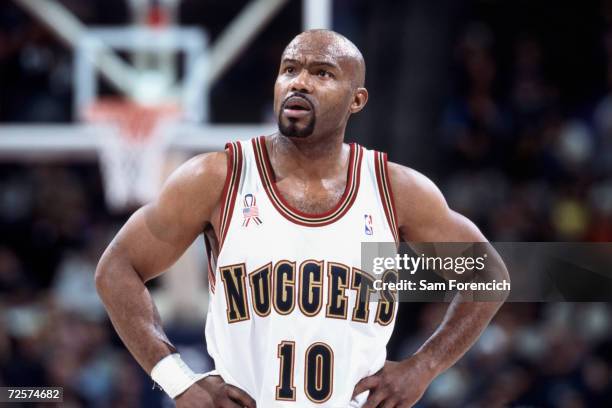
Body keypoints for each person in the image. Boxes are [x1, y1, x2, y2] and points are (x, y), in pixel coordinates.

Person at [96, 29, 508, 407]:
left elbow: (489, 276)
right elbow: (116, 269)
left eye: (322, 73)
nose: (299, 82)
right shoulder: (217, 177)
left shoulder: (396, 191)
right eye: (289, 69)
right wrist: (178, 379)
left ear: (357, 100)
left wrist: (424, 367)